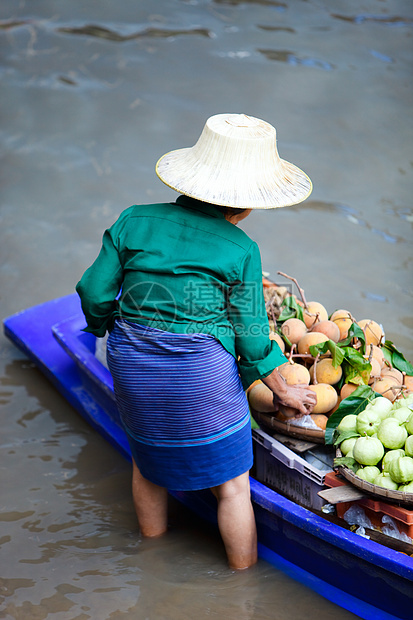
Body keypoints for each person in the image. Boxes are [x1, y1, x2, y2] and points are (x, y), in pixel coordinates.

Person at [76, 113, 317, 570]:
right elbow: (249, 332)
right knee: (232, 486)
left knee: (146, 466)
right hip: (197, 369)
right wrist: (283, 389)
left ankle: (151, 557)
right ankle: (241, 583)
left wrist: (112, 327)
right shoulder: (240, 247)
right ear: (246, 206)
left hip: (129, 356)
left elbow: (93, 291)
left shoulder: (133, 220)